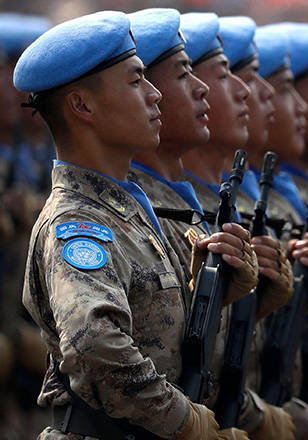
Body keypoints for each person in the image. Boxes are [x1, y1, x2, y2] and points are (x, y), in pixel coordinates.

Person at [14, 11, 251, 439]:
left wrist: (217, 293)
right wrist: (186, 423)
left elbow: (158, 339)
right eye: (137, 81)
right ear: (83, 105)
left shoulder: (129, 209)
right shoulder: (79, 222)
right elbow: (96, 347)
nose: (156, 95)